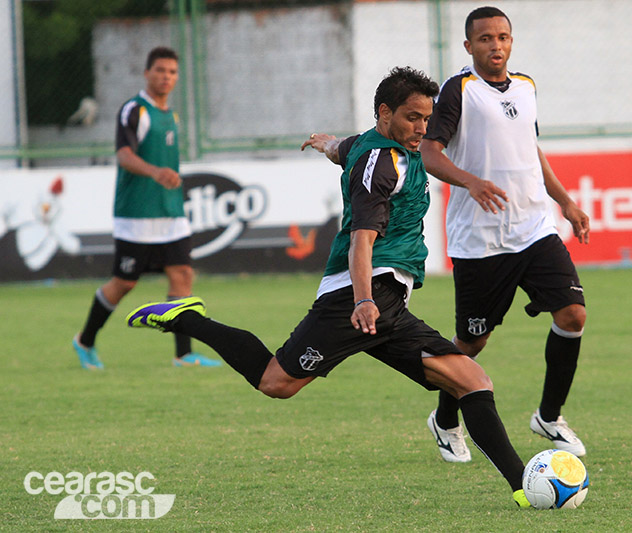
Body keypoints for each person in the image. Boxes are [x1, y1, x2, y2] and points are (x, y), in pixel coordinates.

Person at [125, 67, 534, 507]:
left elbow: (345, 148)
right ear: (385, 113)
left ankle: (524, 488)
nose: (423, 128)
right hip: (358, 297)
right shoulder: (383, 165)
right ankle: (188, 319)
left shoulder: (374, 143)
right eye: (413, 117)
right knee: (275, 383)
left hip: (386, 303)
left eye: (427, 118)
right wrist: (362, 300)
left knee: (472, 381)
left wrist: (326, 144)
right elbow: (362, 238)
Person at [420, 6, 590, 462]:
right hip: (481, 241)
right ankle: (445, 419)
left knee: (573, 314)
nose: (495, 46)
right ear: (468, 46)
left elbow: (530, 149)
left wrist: (566, 202)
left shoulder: (527, 87)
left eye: (503, 37)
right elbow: (429, 153)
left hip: (534, 228)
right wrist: (469, 181)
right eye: (485, 39)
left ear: (511, 42)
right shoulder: (460, 91)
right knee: (472, 343)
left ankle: (549, 416)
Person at [72, 46, 220, 369]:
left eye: (172, 72)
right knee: (124, 283)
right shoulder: (134, 111)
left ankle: (184, 354)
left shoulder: (171, 115)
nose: (166, 77)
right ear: (147, 73)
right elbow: (124, 155)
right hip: (136, 215)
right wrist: (155, 172)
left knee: (182, 275)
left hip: (171, 213)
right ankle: (84, 341)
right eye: (160, 70)